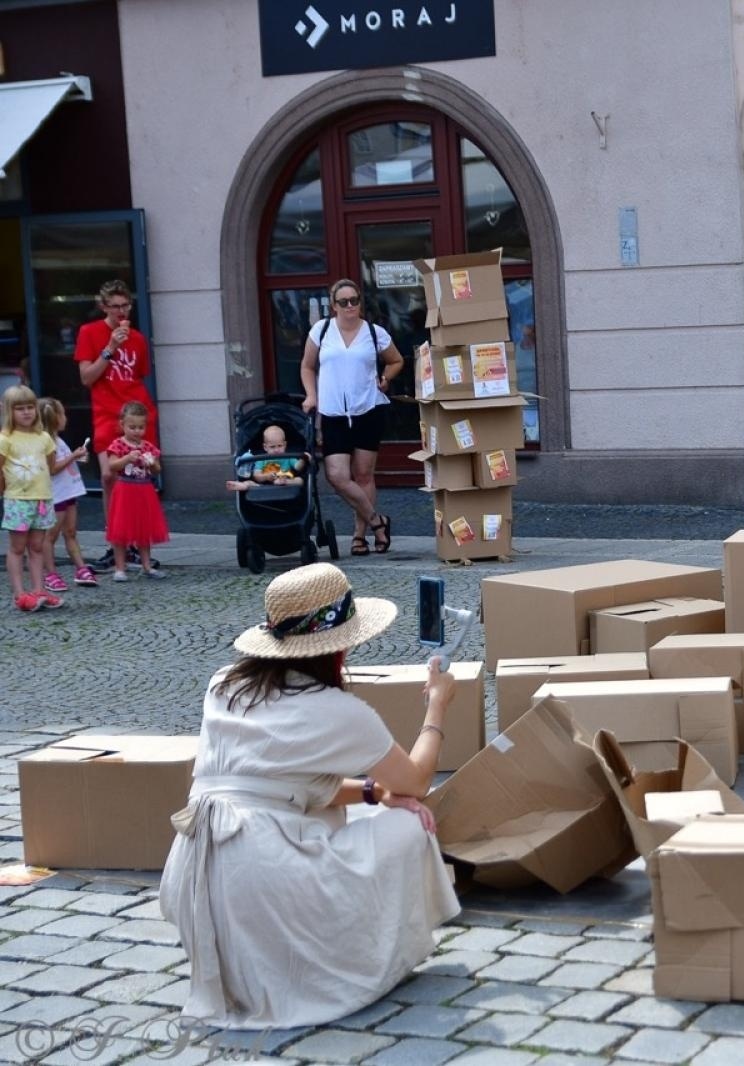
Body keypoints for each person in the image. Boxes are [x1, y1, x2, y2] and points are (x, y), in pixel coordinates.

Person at [159, 562, 461, 1028]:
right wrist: (437, 705)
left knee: (365, 815)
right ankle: (354, 956)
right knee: (409, 822)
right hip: (261, 874)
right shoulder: (338, 710)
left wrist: (372, 793)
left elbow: (278, 787)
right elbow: (417, 780)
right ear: (338, 648)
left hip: (194, 869)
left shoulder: (224, 685)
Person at [299, 280, 402, 555]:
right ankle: (378, 522)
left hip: (367, 409)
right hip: (332, 412)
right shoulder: (321, 331)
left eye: (354, 300)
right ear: (333, 306)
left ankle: (360, 535)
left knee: (364, 475)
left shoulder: (373, 331)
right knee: (337, 475)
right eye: (343, 302)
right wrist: (311, 395)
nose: (349, 306)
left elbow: (396, 360)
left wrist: (385, 378)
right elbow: (307, 366)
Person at [75, 280, 159, 572]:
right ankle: (116, 543)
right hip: (106, 413)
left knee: (140, 477)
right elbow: (87, 377)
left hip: (136, 412)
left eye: (126, 305)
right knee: (110, 475)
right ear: (103, 306)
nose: (121, 311)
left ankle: (136, 544)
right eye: (115, 306)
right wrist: (110, 347)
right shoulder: (90, 333)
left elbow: (139, 376)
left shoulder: (138, 338)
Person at [0, 386, 64, 611]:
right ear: (9, 411)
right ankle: (20, 594)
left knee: (37, 546)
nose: (26, 412)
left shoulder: (43, 437)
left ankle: (38, 589)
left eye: (30, 407)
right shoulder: (5, 439)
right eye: (20, 409)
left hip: (42, 499)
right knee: (17, 547)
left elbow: (50, 466)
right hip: (18, 500)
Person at [104, 401, 169, 582]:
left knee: (143, 530)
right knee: (120, 530)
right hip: (125, 489)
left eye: (140, 427)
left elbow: (157, 469)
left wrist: (152, 463)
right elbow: (112, 465)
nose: (136, 431)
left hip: (144, 490)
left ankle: (147, 565)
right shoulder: (118, 444)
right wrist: (127, 458)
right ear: (122, 424)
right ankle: (119, 567)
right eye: (132, 427)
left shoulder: (147, 446)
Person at [38, 397, 94, 591]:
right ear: (55, 418)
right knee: (50, 537)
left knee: (70, 532)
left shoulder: (58, 440)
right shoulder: (47, 443)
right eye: (63, 414)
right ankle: (50, 573)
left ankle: (81, 568)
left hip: (68, 492)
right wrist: (73, 456)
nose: (65, 418)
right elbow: (52, 469)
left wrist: (76, 458)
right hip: (57, 495)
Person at [226, 424, 305, 492]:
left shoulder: (288, 457)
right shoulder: (262, 459)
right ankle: (243, 486)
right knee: (250, 482)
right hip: (264, 486)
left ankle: (284, 481)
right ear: (265, 447)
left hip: (286, 483)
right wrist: (266, 476)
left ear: (285, 445)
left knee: (300, 480)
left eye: (280, 446)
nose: (276, 450)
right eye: (272, 447)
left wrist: (303, 459)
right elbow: (256, 476)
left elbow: (298, 468)